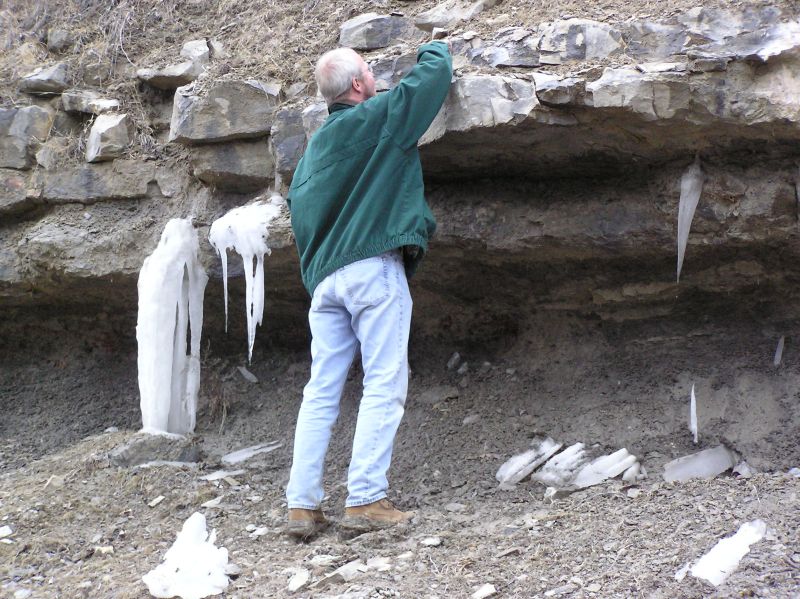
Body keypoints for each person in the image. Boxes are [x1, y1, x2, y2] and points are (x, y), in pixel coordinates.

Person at [284, 40, 453, 538]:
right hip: (372, 268)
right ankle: (364, 500)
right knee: (384, 381)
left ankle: (302, 506)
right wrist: (435, 42)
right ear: (359, 84)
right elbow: (432, 79)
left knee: (321, 391)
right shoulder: (377, 116)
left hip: (325, 283)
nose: (376, 75)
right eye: (371, 70)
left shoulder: (311, 155)